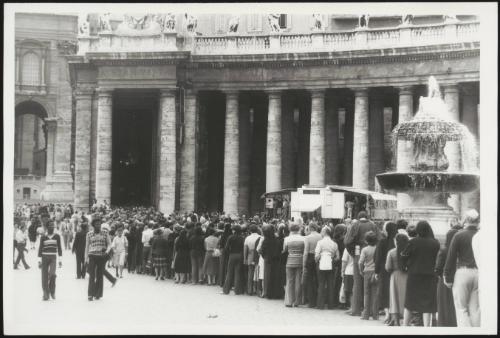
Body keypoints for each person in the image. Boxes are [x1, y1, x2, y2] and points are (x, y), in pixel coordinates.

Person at [443, 209, 480, 327]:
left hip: (463, 273)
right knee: (475, 310)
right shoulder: (481, 235)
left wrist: (447, 276)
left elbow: (451, 257)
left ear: (466, 220)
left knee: (461, 309)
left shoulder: (459, 235)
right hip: (478, 273)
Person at [401, 220, 440, 326]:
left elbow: (404, 256)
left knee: (409, 303)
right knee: (427, 304)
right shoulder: (435, 243)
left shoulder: (413, 242)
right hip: (429, 277)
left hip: (414, 276)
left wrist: (406, 266)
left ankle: (404, 326)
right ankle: (427, 328)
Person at [344, 211, 381, 316]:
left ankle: (356, 310)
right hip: (372, 256)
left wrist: (353, 253)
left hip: (358, 254)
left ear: (358, 217)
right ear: (367, 217)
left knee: (357, 283)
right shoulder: (373, 225)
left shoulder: (355, 225)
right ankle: (373, 311)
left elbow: (347, 241)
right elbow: (380, 238)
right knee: (373, 286)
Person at [435, 222, 462, 327]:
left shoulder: (444, 249)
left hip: (444, 280)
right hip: (457, 278)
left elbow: (438, 268)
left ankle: (444, 323)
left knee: (444, 304)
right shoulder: (459, 250)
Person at [374, 221, 398, 324]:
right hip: (396, 270)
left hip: (384, 270)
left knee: (384, 291)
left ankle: (387, 313)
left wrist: (376, 271)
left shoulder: (382, 242)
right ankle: (394, 313)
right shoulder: (398, 241)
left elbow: (377, 258)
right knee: (393, 291)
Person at [385, 233, 410, 326]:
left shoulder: (391, 252)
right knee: (406, 297)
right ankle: (407, 319)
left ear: (396, 242)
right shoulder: (409, 251)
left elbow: (388, 267)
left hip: (395, 276)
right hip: (407, 276)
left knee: (394, 297)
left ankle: (395, 320)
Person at [85, 217, 111, 301]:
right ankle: (90, 294)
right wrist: (86, 259)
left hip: (101, 256)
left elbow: (110, 244)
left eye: (99, 224)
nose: (98, 226)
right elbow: (87, 247)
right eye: (96, 224)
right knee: (92, 275)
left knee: (100, 275)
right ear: (93, 225)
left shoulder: (105, 233)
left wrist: (106, 252)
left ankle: (98, 294)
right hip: (92, 255)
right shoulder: (89, 234)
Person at [315, 226, 340, 309]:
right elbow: (337, 257)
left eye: (322, 231)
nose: (321, 233)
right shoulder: (334, 243)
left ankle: (320, 304)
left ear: (325, 232)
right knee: (330, 284)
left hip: (321, 263)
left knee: (321, 283)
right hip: (331, 264)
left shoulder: (320, 242)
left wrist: (318, 260)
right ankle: (330, 304)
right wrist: (332, 258)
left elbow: (317, 255)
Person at [38, 221, 62, 300]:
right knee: (44, 276)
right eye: (50, 225)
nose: (52, 227)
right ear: (47, 227)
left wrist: (60, 260)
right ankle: (45, 294)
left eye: (53, 225)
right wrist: (39, 261)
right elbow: (40, 248)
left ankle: (52, 291)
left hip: (53, 257)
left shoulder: (57, 236)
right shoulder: (43, 237)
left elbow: (59, 248)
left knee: (52, 274)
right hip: (44, 257)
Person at [283, 222, 305, 307]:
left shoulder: (287, 239)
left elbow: (284, 250)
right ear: (299, 229)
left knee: (289, 281)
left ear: (290, 229)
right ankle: (297, 301)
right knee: (298, 281)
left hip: (290, 260)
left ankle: (289, 301)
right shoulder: (303, 239)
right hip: (300, 260)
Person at [359, 231, 379, 320]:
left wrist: (360, 270)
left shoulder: (365, 250)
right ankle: (375, 314)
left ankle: (366, 314)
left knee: (366, 293)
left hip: (367, 271)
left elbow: (360, 262)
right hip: (376, 273)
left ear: (366, 241)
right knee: (375, 294)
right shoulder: (378, 248)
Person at [259, 224, 283, 299]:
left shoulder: (265, 241)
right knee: (275, 276)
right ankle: (276, 293)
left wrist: (265, 257)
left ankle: (268, 293)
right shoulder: (277, 240)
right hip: (276, 260)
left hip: (268, 260)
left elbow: (262, 251)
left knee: (267, 276)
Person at [302, 223, 322, 308]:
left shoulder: (307, 238)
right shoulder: (321, 236)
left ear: (310, 228)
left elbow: (306, 252)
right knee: (318, 280)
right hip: (319, 258)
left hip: (310, 258)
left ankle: (311, 302)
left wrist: (304, 263)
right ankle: (319, 301)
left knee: (310, 280)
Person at [223, 225, 245, 295]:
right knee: (237, 273)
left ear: (234, 230)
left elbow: (226, 248)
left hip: (232, 255)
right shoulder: (242, 238)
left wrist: (229, 253)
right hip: (240, 255)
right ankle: (237, 291)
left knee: (229, 272)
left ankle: (226, 290)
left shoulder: (230, 237)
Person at [243, 224, 260, 295]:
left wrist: (245, 258)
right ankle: (257, 289)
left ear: (250, 230)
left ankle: (250, 290)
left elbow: (245, 249)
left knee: (250, 273)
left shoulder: (247, 238)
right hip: (258, 256)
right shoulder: (260, 237)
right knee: (258, 273)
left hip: (250, 255)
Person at [341, 243, 355, 313]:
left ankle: (352, 307)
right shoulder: (359, 248)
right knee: (354, 290)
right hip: (356, 272)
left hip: (348, 271)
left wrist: (342, 271)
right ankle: (354, 306)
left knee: (350, 291)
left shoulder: (347, 249)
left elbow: (344, 261)